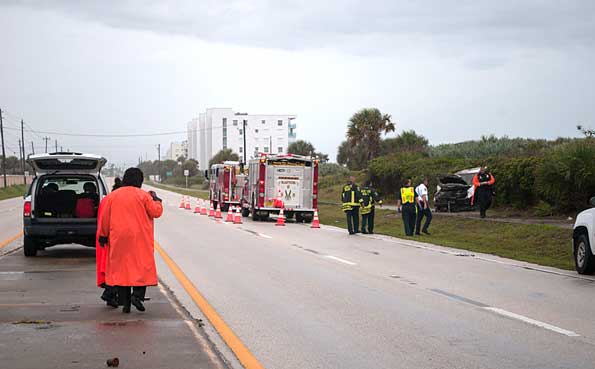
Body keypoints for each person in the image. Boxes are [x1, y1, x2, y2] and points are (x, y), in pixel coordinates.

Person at [98, 168, 163, 313]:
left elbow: (105, 218)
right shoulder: (144, 196)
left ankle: (125, 304)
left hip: (118, 238)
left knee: (121, 269)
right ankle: (138, 296)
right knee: (141, 266)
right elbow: (155, 212)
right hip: (139, 238)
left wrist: (103, 236)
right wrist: (157, 201)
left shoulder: (113, 196)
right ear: (140, 180)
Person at [96, 178, 122, 308]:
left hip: (104, 237)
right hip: (111, 239)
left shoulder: (106, 199)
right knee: (116, 269)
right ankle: (110, 293)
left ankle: (112, 294)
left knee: (109, 269)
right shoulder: (115, 201)